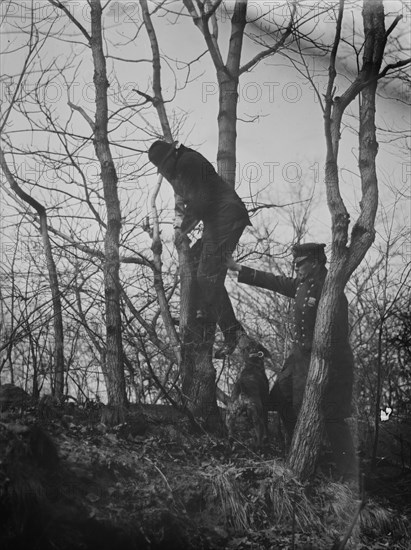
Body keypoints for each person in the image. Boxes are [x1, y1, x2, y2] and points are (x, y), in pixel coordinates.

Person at [227, 243, 358, 481]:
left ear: (315, 263)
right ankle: (298, 452)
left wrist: (322, 368)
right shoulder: (302, 283)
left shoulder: (331, 291)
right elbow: (275, 281)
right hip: (299, 358)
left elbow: (336, 337)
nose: (295, 268)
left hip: (328, 362)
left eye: (300, 264)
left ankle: (348, 476)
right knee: (279, 400)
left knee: (332, 418)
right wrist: (237, 268)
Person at [148, 140, 251, 357]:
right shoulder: (180, 165)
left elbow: (201, 201)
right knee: (195, 261)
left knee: (207, 276)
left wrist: (182, 229)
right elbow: (189, 200)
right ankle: (203, 312)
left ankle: (232, 334)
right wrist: (181, 225)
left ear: (172, 156)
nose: (166, 172)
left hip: (227, 218)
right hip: (218, 221)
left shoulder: (188, 162)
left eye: (166, 165)